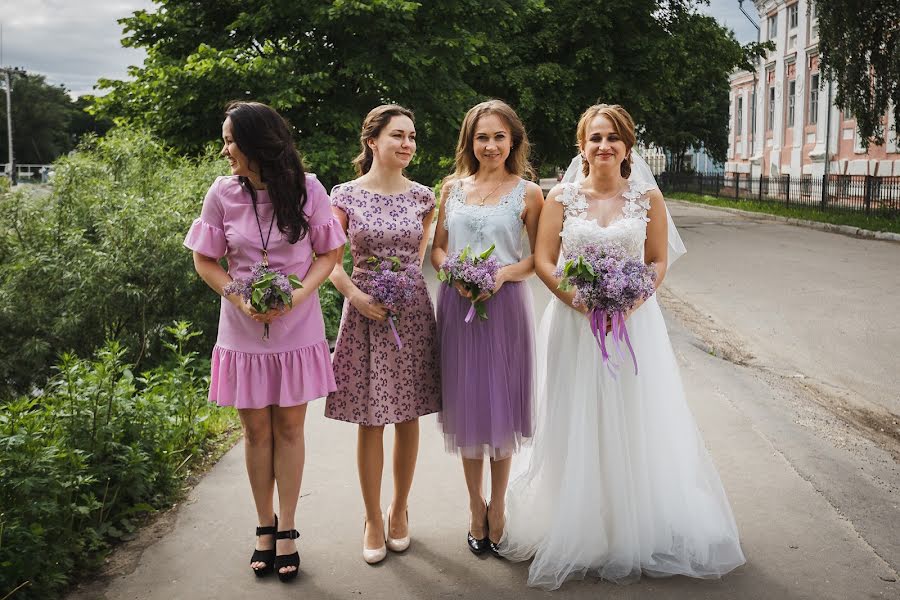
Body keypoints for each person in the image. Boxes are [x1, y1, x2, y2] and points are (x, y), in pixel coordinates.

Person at [500, 104, 745, 589]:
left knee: (635, 414)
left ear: (628, 147)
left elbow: (656, 261)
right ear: (582, 146)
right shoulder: (562, 198)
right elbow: (546, 260)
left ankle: (633, 524)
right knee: (576, 415)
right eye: (595, 138)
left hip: (634, 326)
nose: (604, 146)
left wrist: (631, 301)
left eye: (613, 138)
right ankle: (578, 525)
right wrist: (575, 300)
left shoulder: (647, 198)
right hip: (573, 324)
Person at [184, 101, 346, 582]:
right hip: (242, 327)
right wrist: (237, 297)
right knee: (255, 432)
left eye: (232, 140)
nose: (225, 148)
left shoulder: (308, 188)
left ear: (258, 144)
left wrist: (298, 295)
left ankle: (289, 528)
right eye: (225, 139)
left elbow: (330, 251)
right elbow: (205, 260)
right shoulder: (220, 192)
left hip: (297, 325)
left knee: (291, 430)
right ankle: (263, 526)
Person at [325, 104, 441, 564]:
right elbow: (329, 261)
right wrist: (356, 295)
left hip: (410, 312)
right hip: (364, 311)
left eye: (412, 136)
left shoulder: (424, 198)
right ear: (372, 141)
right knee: (371, 419)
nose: (408, 144)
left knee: (408, 415)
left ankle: (399, 509)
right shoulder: (345, 195)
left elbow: (417, 260)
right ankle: (372, 516)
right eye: (398, 135)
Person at [430, 100, 542, 557]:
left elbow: (540, 258)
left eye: (498, 136)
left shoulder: (529, 193)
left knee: (499, 405)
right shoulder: (451, 188)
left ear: (512, 139)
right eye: (482, 137)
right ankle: (474, 506)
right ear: (469, 142)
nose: (490, 145)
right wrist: (454, 273)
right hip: (457, 306)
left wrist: (502, 275)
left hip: (507, 305)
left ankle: (500, 507)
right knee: (468, 405)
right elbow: (437, 249)